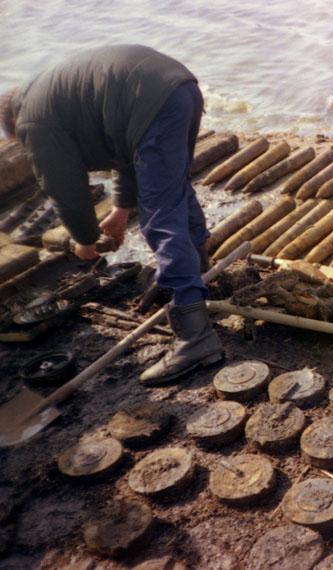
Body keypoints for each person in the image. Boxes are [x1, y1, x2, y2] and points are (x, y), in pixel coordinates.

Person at [0, 44, 223, 386]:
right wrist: (120, 209)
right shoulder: (54, 97)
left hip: (153, 99)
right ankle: (199, 270)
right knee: (172, 187)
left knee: (158, 217)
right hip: (179, 87)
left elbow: (64, 188)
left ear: (14, 126)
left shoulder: (32, 119)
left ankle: (196, 338)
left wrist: (85, 240)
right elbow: (125, 145)